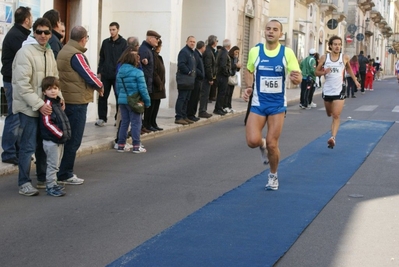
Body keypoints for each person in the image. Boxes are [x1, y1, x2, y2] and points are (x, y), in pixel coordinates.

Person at [243, 20, 302, 191]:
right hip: (258, 103)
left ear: (280, 34)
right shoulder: (255, 51)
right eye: (268, 29)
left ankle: (273, 175)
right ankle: (261, 144)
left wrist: (296, 78)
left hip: (277, 105)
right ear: (264, 32)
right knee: (252, 141)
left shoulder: (287, 53)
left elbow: (297, 75)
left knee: (272, 143)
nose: (271, 32)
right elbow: (249, 69)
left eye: (275, 29)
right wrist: (248, 87)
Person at [12, 17, 59, 196]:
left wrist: (58, 97)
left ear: (50, 33)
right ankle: (24, 182)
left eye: (46, 32)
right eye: (39, 31)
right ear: (34, 32)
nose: (43, 35)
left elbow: (54, 79)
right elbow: (22, 85)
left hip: (44, 107)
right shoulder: (25, 53)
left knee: (43, 145)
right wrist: (39, 105)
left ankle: (41, 178)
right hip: (29, 107)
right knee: (28, 146)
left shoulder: (49, 52)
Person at [56, 26, 104, 185]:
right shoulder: (76, 55)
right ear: (83, 38)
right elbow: (89, 74)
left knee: (66, 138)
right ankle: (65, 173)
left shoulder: (64, 50)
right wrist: (100, 85)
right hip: (77, 102)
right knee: (74, 140)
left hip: (68, 99)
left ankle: (59, 169)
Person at [315, 35, 360, 149]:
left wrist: (355, 81)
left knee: (336, 115)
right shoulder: (324, 58)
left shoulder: (344, 57)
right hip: (327, 90)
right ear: (330, 45)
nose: (337, 46)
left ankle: (333, 138)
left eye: (339, 44)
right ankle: (331, 121)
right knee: (329, 113)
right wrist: (324, 72)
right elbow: (316, 72)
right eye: (335, 44)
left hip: (339, 90)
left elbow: (349, 68)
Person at [1, 6, 33, 166]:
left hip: (16, 80)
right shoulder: (16, 36)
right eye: (31, 17)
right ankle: (8, 152)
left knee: (19, 116)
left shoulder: (20, 34)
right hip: (12, 81)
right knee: (14, 116)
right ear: (26, 20)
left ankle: (17, 151)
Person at [39, 76, 71, 197]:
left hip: (59, 140)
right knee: (52, 164)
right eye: (49, 89)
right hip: (52, 140)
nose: (53, 91)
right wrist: (60, 134)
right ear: (44, 92)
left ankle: (54, 183)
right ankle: (51, 186)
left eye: (55, 88)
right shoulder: (47, 104)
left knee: (56, 163)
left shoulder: (57, 103)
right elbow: (47, 123)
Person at [116, 48, 151, 153]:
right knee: (136, 123)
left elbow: (118, 88)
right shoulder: (138, 73)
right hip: (134, 100)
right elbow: (143, 89)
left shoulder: (120, 72)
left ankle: (121, 145)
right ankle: (136, 145)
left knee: (124, 123)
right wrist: (147, 102)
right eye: (137, 58)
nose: (139, 60)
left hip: (123, 100)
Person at [95, 22, 127, 127]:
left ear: (118, 30)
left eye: (113, 29)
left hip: (117, 75)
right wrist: (100, 71)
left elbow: (124, 59)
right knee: (103, 96)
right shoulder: (105, 42)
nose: (112, 32)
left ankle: (118, 118)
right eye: (110, 30)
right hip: (106, 74)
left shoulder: (123, 43)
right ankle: (102, 118)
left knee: (119, 97)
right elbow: (102, 58)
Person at [138, 30, 161, 132]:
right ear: (150, 38)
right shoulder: (144, 50)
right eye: (156, 39)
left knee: (147, 106)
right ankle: (142, 126)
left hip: (148, 83)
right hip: (145, 83)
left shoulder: (149, 49)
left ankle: (145, 125)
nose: (157, 41)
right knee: (143, 107)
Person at [175, 36, 197, 125]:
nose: (192, 43)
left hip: (190, 80)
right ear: (186, 42)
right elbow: (181, 64)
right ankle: (179, 117)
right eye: (191, 41)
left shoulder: (191, 52)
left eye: (194, 42)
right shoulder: (184, 52)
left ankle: (184, 116)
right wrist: (188, 71)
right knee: (182, 98)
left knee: (187, 99)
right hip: (184, 79)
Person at [198, 35, 218, 119]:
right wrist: (210, 78)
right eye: (217, 40)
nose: (217, 42)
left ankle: (203, 110)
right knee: (205, 94)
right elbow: (208, 66)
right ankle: (202, 111)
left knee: (206, 94)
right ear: (213, 42)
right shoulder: (209, 52)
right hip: (206, 78)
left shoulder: (210, 50)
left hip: (206, 77)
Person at [187, 40, 205, 121]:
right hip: (196, 79)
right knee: (193, 98)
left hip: (198, 80)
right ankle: (190, 114)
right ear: (202, 47)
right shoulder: (196, 55)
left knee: (196, 98)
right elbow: (195, 67)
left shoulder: (198, 54)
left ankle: (192, 114)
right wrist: (201, 73)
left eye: (194, 42)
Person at [151, 39, 167, 129]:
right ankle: (150, 123)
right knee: (153, 105)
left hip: (160, 85)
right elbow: (154, 72)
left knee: (156, 105)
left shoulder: (158, 57)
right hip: (156, 86)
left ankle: (153, 122)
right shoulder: (154, 56)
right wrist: (159, 83)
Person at [214, 39, 231, 116]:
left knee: (221, 93)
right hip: (222, 76)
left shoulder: (222, 51)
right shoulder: (224, 53)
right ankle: (218, 108)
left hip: (220, 75)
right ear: (228, 45)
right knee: (221, 93)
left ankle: (218, 108)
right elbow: (223, 65)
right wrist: (227, 73)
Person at [224, 45, 241, 113]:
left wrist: (238, 66)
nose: (236, 53)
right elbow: (229, 66)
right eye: (236, 51)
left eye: (238, 52)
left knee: (230, 93)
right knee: (227, 93)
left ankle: (229, 106)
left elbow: (237, 69)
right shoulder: (229, 57)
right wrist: (235, 65)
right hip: (229, 76)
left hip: (233, 76)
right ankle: (225, 106)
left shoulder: (236, 58)